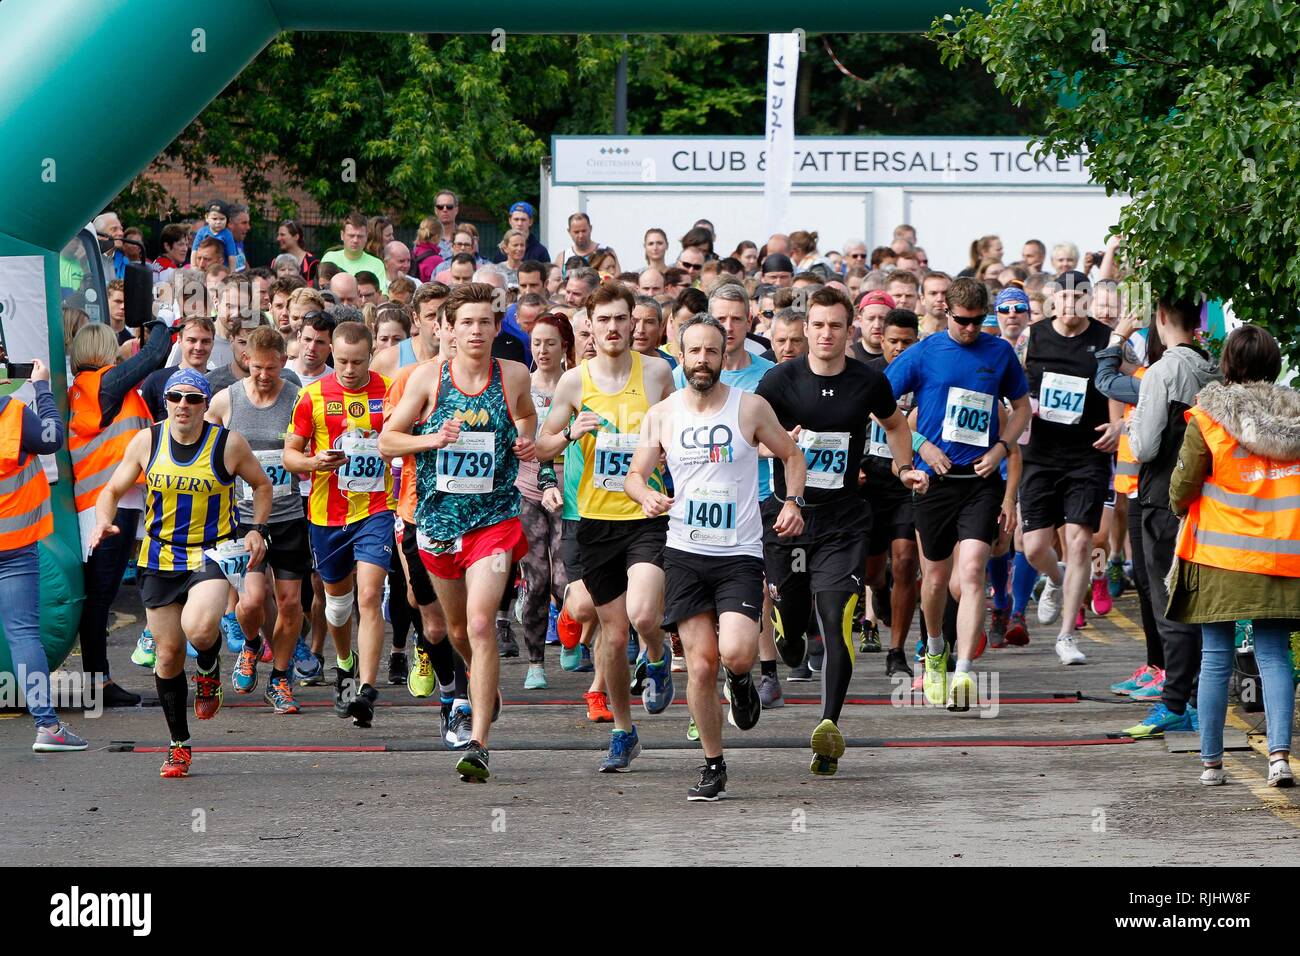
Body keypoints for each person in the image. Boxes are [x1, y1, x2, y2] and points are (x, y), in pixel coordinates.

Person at [626, 315, 806, 800]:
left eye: (712, 351)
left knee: (736, 654)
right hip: (685, 552)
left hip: (740, 555)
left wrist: (792, 502)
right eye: (694, 352)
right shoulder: (662, 414)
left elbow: (791, 454)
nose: (702, 360)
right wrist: (644, 494)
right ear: (680, 357)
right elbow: (635, 474)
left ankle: (743, 681)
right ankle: (713, 763)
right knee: (702, 666)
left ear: (725, 356)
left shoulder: (750, 409)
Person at [757, 286, 924, 774]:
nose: (826, 334)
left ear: (849, 331)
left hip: (844, 520)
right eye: (818, 325)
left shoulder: (866, 381)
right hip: (788, 519)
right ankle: (788, 634)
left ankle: (828, 727)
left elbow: (895, 425)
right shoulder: (778, 381)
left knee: (835, 618)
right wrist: (779, 448)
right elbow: (749, 438)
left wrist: (904, 465)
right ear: (805, 329)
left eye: (836, 325)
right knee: (790, 632)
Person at [381, 283, 537, 782]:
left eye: (484, 322)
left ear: (496, 327)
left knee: (479, 622)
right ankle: (481, 687)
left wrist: (526, 437)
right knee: (452, 631)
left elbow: (527, 415)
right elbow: (388, 441)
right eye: (465, 322)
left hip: (494, 522)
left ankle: (479, 742)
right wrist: (433, 438)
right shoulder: (427, 379)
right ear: (448, 328)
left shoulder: (511, 374)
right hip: (438, 523)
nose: (475, 330)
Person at [89, 368, 272, 777]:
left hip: (210, 552)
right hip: (158, 558)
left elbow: (261, 485)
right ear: (166, 402)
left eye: (193, 399)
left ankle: (208, 668)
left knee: (201, 628)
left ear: (206, 405)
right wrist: (103, 520)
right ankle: (178, 744)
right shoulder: (147, 440)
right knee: (168, 655)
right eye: (176, 398)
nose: (184, 406)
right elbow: (112, 490)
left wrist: (257, 529)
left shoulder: (227, 444)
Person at [536, 281, 676, 773]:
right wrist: (569, 432)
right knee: (614, 638)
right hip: (593, 520)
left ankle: (657, 654)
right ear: (589, 328)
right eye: (605, 320)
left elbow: (681, 431)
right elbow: (544, 444)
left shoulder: (657, 373)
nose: (615, 328)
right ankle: (623, 730)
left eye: (623, 319)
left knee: (642, 616)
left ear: (633, 323)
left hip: (645, 515)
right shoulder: (574, 383)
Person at [885, 278, 1030, 710]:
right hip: (934, 481)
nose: (969, 329)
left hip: (979, 481)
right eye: (962, 321)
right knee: (932, 579)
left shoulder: (999, 352)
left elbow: (1020, 408)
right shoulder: (925, 352)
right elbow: (882, 405)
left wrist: (1001, 448)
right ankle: (933, 649)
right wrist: (919, 444)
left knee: (970, 574)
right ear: (946, 312)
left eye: (976, 322)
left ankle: (964, 672)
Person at [1167, 326, 1297, 788]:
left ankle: (1211, 764)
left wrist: (1180, 501)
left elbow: (1182, 486)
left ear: (1227, 365)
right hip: (1284, 557)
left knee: (1216, 655)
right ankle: (1279, 758)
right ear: (1274, 364)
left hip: (1219, 555)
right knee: (1275, 656)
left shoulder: (1207, 418)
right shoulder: (1295, 417)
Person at [283, 321, 395, 730]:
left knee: (370, 594)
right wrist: (314, 463)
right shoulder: (312, 396)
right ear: (332, 354)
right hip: (326, 515)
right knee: (338, 603)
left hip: (376, 509)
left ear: (370, 356)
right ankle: (345, 664)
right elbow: (290, 454)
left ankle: (366, 688)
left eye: (358, 361)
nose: (349, 369)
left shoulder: (389, 389)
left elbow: (402, 438)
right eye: (342, 361)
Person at [1119, 295, 1219, 739]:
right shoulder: (1213, 364)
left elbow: (1144, 447)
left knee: (1168, 601)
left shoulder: (1163, 370)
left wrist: (1132, 423)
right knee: (1198, 599)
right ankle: (1196, 697)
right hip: (1207, 497)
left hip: (1162, 496)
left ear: (1159, 317)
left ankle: (1175, 701)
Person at [1018, 272, 1121, 666]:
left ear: (1089, 300)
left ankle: (1066, 635)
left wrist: (1118, 424)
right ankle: (1055, 578)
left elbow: (1117, 382)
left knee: (1081, 541)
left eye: (1080, 296)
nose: (1071, 303)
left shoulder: (1104, 339)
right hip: (1041, 452)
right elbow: (1016, 385)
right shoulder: (1035, 337)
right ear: (1052, 300)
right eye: (1064, 296)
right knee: (1033, 548)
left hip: (1087, 453)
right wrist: (1024, 408)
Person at [205, 327, 309, 714]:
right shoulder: (225, 401)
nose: (263, 375)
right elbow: (205, 451)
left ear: (283, 361)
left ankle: (280, 678)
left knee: (290, 603)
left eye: (271, 368)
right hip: (242, 521)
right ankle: (251, 644)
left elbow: (311, 447)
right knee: (249, 603)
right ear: (246, 360)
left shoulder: (298, 400)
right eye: (256, 367)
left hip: (288, 517)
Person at [68, 319, 170, 704]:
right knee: (100, 597)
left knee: (98, 595)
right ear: (103, 350)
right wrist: (159, 321)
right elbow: (156, 353)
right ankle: (100, 684)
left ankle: (100, 680)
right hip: (111, 506)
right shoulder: (106, 384)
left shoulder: (83, 389)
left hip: (96, 504)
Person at [0, 358, 88, 752]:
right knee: (23, 635)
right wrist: (41, 388)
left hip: (17, 546)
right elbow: (51, 437)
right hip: (15, 546)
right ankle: (47, 727)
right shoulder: (13, 414)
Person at [859, 309, 923, 674]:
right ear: (880, 340)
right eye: (893, 342)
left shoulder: (923, 377)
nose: (900, 349)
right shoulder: (866, 378)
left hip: (907, 479)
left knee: (904, 561)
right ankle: (879, 590)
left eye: (907, 342)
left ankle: (896, 651)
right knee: (871, 573)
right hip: (870, 481)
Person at [515, 314, 575, 689]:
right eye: (536, 342)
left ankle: (571, 630)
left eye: (550, 342)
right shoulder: (521, 384)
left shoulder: (579, 384)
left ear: (564, 345)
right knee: (537, 580)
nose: (542, 349)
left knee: (565, 580)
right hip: (528, 490)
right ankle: (535, 662)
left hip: (573, 492)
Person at [320, 212, 389, 294]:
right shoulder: (329, 258)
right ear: (342, 235)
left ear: (366, 236)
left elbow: (382, 296)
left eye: (360, 236)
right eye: (351, 236)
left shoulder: (377, 264)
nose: (355, 240)